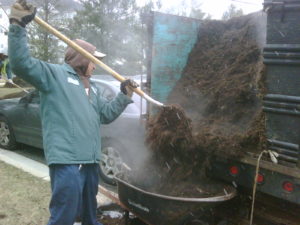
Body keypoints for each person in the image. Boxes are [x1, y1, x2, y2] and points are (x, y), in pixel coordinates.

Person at [8, 0, 139, 224]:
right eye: (94, 60)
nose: (96, 65)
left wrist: (124, 95)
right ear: (82, 58)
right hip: (67, 161)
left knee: (90, 214)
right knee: (64, 216)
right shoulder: (54, 75)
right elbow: (20, 63)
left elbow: (106, 114)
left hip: (90, 162)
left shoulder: (94, 88)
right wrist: (18, 25)